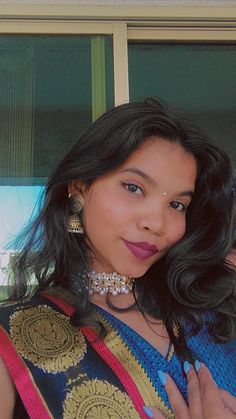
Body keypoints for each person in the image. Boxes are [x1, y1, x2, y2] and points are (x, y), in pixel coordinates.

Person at [0, 99, 235, 419]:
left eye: (178, 205)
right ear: (79, 187)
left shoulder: (215, 317)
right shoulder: (15, 339)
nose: (158, 223)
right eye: (134, 188)